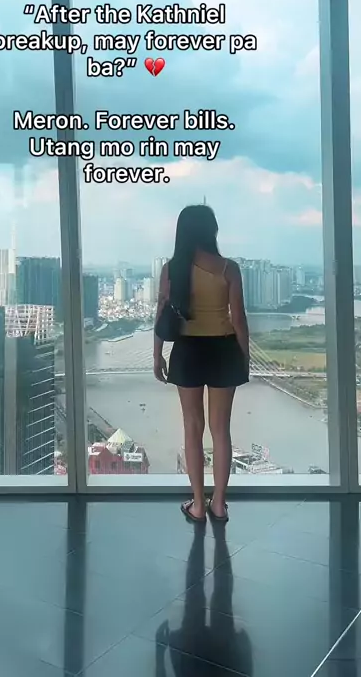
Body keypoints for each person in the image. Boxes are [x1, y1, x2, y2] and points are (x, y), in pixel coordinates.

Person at [153, 205, 250, 523]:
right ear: (212, 230)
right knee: (221, 431)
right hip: (224, 349)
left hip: (187, 351)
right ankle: (218, 504)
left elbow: (162, 316)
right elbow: (239, 318)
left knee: (192, 428)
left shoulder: (171, 269)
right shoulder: (229, 269)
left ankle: (197, 504)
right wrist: (244, 356)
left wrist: (157, 354)